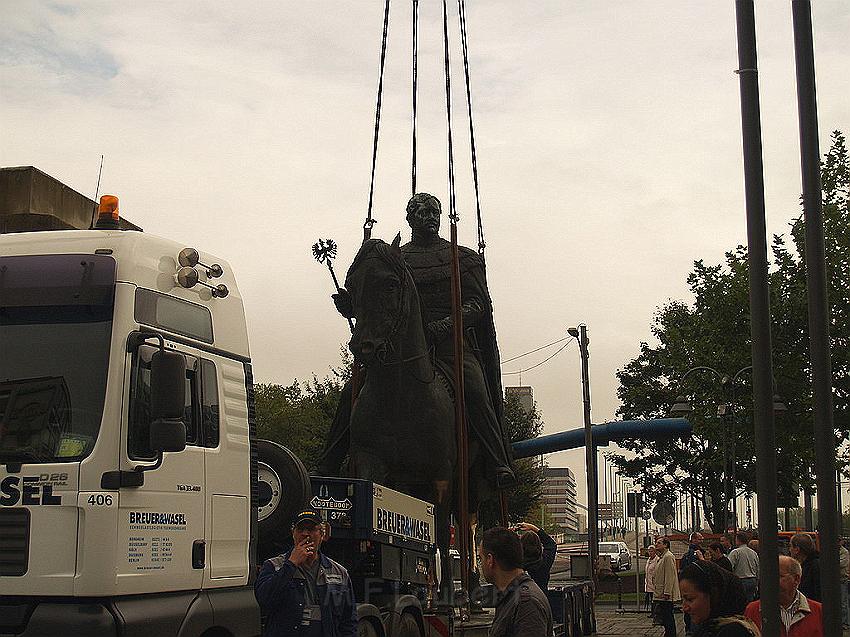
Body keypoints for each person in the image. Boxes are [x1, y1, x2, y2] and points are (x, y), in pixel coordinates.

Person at [321, 193, 515, 488]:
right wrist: (352, 305)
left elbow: (479, 304)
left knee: (475, 387)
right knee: (354, 389)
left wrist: (446, 325)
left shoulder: (463, 259)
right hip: (402, 347)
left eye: (435, 212)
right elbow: (381, 299)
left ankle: (497, 459)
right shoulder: (398, 259)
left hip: (451, 347)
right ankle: (329, 461)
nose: (431, 218)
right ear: (410, 219)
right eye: (423, 213)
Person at [255, 508, 357, 637]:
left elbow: (348, 621)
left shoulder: (339, 572)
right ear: (293, 533)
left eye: (311, 529)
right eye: (300, 529)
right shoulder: (274, 565)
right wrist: (291, 565)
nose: (305, 534)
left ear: (321, 534)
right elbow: (264, 599)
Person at [478, 527, 553, 637]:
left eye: (481, 559)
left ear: (490, 560)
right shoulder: (511, 597)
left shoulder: (526, 604)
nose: (481, 564)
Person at [744, 555, 823, 636]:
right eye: (769, 576)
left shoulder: (819, 612)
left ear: (796, 579)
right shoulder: (752, 610)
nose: (771, 581)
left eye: (779, 576)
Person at [679, 560, 759, 636]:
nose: (685, 608)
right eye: (683, 599)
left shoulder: (732, 632)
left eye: (690, 599)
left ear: (713, 595)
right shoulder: (710, 626)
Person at [513, 521, 556, 592]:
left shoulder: (516, 564)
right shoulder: (544, 563)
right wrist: (532, 527)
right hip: (540, 598)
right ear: (539, 547)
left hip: (517, 599)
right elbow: (551, 544)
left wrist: (509, 534)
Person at [654, 537, 681, 637]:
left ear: (665, 545)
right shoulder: (662, 556)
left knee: (668, 615)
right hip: (660, 591)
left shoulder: (668, 557)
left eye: (659, 543)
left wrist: (667, 592)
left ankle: (671, 634)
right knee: (665, 615)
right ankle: (668, 633)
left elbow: (669, 575)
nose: (656, 544)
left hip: (664, 593)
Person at [681, 532, 705, 634]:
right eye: (700, 539)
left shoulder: (687, 554)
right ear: (694, 540)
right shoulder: (695, 553)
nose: (702, 541)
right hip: (695, 585)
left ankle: (689, 630)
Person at [789, 532, 820, 602]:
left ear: (797, 549)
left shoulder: (814, 566)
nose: (789, 549)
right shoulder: (809, 564)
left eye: (790, 546)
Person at [728, 531, 759, 603]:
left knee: (740, 602)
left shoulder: (735, 552)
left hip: (740, 580)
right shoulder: (753, 553)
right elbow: (758, 568)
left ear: (738, 540)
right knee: (749, 601)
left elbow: (729, 566)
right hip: (752, 580)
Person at [645, 545, 660, 611]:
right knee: (651, 599)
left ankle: (655, 612)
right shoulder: (648, 560)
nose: (650, 553)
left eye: (652, 551)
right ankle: (652, 612)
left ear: (655, 552)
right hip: (648, 584)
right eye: (649, 551)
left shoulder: (657, 560)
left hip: (654, 584)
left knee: (655, 600)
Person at [840, 539, 850, 628]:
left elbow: (841, 563)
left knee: (843, 602)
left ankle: (845, 622)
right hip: (836, 579)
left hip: (842, 579)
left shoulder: (844, 552)